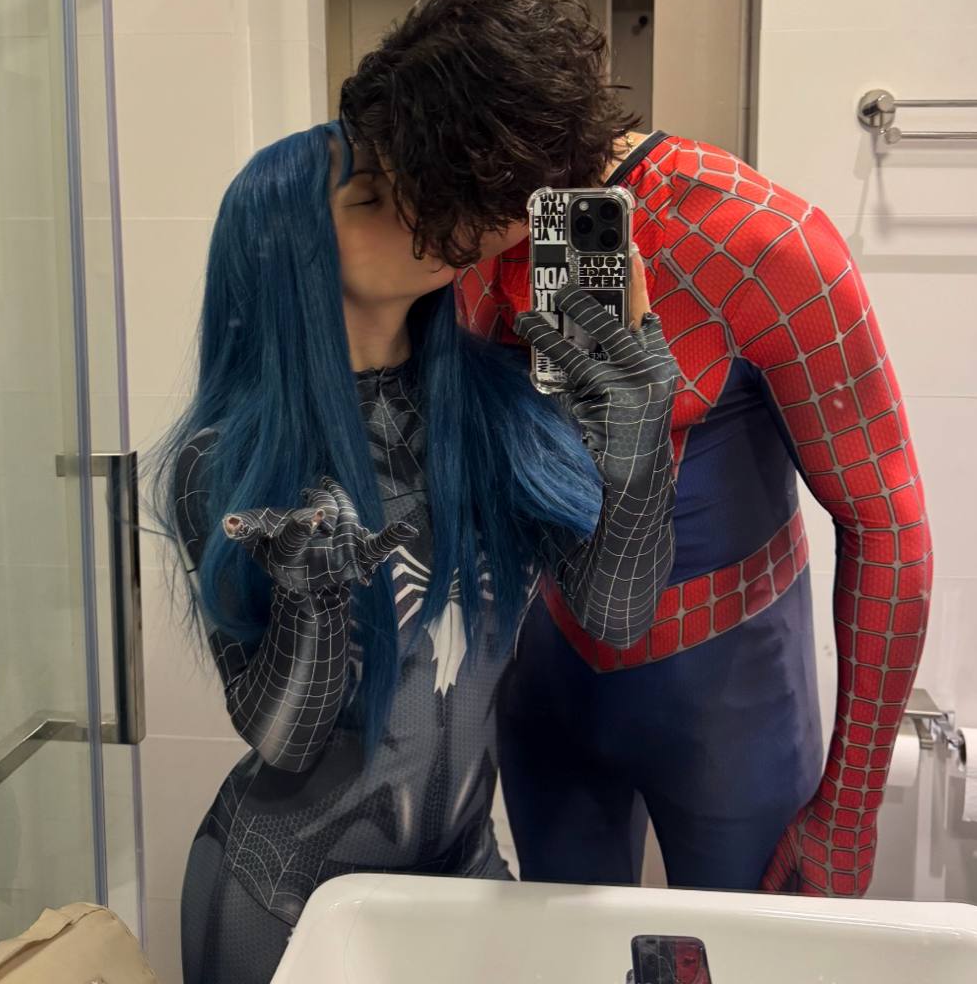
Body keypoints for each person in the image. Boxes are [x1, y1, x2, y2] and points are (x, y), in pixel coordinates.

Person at [339, 0, 933, 898]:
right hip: (547, 674)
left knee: (741, 957)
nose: (423, 229)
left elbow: (887, 522)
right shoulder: (468, 251)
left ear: (492, 166)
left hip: (729, 690)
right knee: (565, 955)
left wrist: (851, 809)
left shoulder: (765, 242)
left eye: (434, 196)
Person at [154, 119, 678, 984]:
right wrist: (314, 604)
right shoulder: (230, 459)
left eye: (415, 187)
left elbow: (615, 616)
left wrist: (642, 451)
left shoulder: (500, 407)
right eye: (370, 197)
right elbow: (285, 741)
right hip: (281, 898)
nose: (416, 212)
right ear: (288, 251)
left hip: (464, 871)